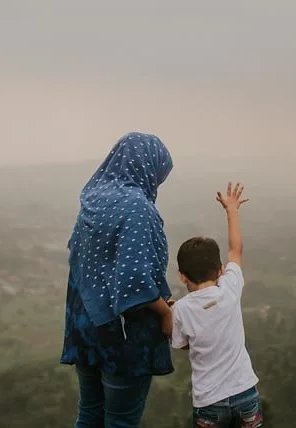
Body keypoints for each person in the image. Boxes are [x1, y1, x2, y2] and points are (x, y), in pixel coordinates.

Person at [61, 132, 175, 428]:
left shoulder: (93, 198)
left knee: (89, 415)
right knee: (120, 422)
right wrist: (165, 312)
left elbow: (78, 256)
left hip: (85, 327)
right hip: (120, 337)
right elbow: (133, 282)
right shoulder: (137, 208)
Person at [170, 182, 262, 427]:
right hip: (245, 393)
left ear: (182, 276)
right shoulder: (230, 288)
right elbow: (236, 250)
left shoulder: (181, 309)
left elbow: (180, 343)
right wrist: (232, 210)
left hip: (209, 403)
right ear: (221, 270)